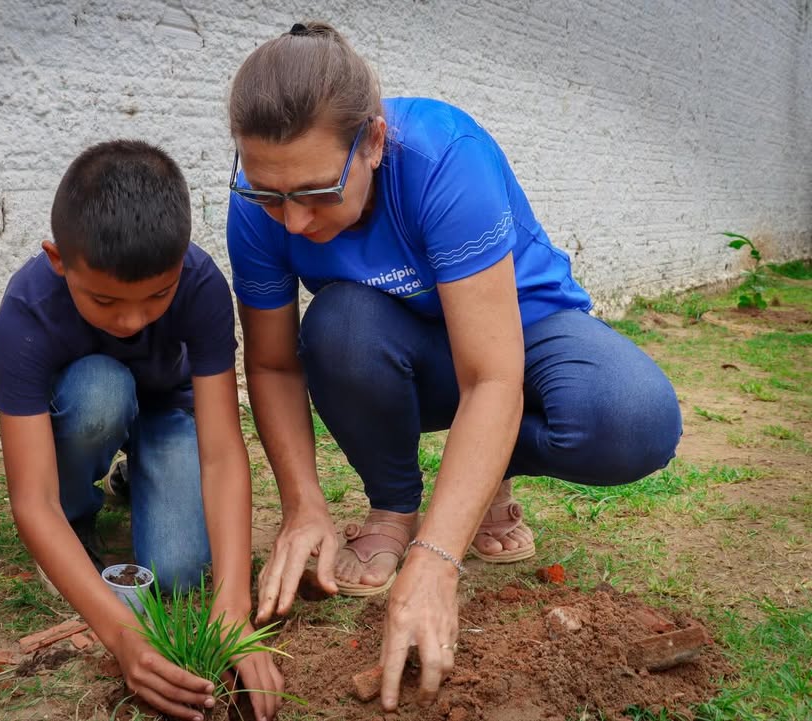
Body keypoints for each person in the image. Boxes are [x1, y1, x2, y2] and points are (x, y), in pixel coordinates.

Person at [225, 22, 682, 712]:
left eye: (316, 192)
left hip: (520, 330)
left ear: (373, 142)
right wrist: (303, 504)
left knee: (633, 418)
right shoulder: (258, 203)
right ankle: (393, 507)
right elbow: (272, 364)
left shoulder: (443, 158)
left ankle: (482, 477)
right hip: (398, 344)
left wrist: (437, 559)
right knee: (338, 324)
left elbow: (492, 375)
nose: (291, 221)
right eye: (269, 194)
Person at [0, 140, 284, 721]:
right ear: (58, 260)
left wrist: (233, 607)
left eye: (157, 296)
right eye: (104, 300)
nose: (131, 320)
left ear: (181, 261)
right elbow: (31, 499)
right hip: (89, 405)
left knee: (177, 570)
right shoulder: (27, 310)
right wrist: (122, 636)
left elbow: (223, 454)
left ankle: (136, 474)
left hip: (169, 408)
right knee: (100, 392)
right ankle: (79, 520)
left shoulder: (200, 284)